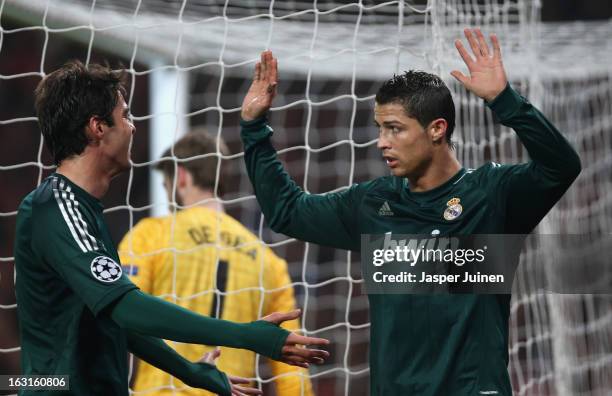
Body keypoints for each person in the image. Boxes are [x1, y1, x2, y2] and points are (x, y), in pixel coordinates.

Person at [238, 29, 581, 395]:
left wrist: (505, 101)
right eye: (380, 128)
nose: (381, 141)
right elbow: (286, 212)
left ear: (436, 129)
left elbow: (561, 167)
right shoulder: (372, 204)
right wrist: (254, 128)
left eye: (395, 129)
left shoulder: (491, 196)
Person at [14, 60, 329, 396]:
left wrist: (191, 371)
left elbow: (115, 314)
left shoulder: (96, 216)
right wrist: (246, 335)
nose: (133, 127)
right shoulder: (54, 207)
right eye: (126, 115)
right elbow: (126, 308)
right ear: (97, 127)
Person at [118, 131, 314, 396]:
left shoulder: (151, 236)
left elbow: (119, 320)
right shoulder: (268, 261)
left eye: (167, 185)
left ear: (182, 176)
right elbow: (292, 364)